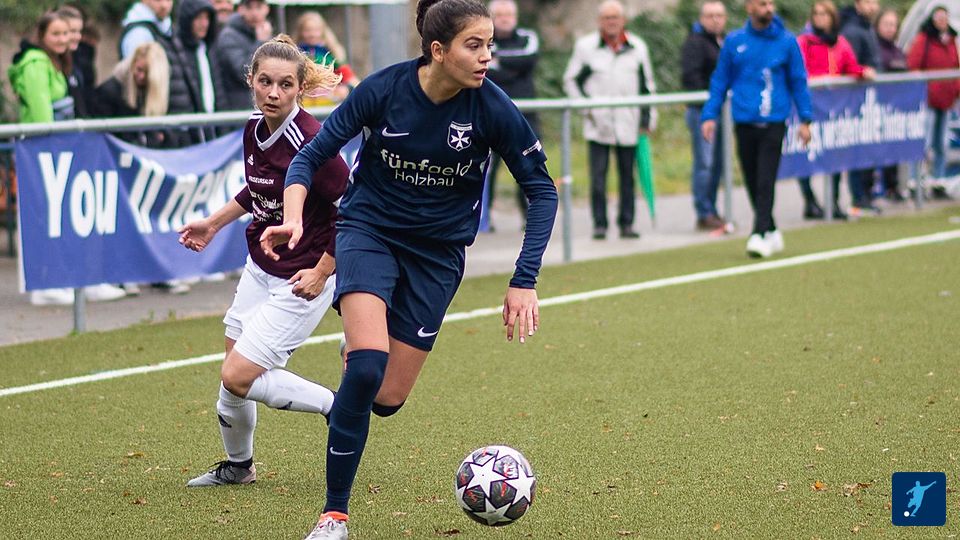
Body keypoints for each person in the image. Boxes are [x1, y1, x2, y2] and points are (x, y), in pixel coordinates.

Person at [259, 0, 557, 537]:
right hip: (368, 234)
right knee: (367, 367)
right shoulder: (384, 89)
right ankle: (333, 515)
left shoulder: (492, 107)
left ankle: (359, 349)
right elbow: (309, 157)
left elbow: (542, 190)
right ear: (438, 50)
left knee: (386, 398)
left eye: (489, 45)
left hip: (437, 255)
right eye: (474, 45)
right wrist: (295, 217)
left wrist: (524, 280)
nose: (487, 56)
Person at [179, 35, 350, 488]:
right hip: (259, 268)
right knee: (233, 381)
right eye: (265, 82)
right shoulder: (253, 127)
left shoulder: (311, 140)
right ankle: (239, 467)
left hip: (302, 276)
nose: (274, 93)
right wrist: (213, 224)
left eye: (285, 84)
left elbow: (353, 208)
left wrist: (323, 271)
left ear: (300, 88)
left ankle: (338, 407)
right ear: (251, 80)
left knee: (237, 376)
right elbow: (256, 190)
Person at [8, 10, 127, 305]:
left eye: (67, 33)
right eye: (57, 34)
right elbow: (41, 115)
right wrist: (56, 146)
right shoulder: (36, 64)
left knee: (59, 215)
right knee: (43, 216)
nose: (63, 39)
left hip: (57, 150)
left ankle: (60, 280)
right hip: (43, 151)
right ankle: (43, 284)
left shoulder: (58, 62)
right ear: (42, 36)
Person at [701, 0, 812, 259]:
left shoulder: (787, 42)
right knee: (751, 178)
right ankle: (770, 228)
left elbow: (798, 81)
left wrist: (805, 119)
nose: (768, 8)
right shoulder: (734, 41)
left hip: (774, 121)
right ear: (749, 7)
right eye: (762, 3)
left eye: (771, 3)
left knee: (765, 179)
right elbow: (720, 80)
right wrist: (710, 115)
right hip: (744, 120)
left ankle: (759, 233)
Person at [563, 0, 655, 240]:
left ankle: (627, 223)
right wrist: (588, 110)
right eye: (607, 18)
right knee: (598, 178)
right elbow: (571, 81)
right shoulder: (586, 47)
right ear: (599, 21)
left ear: (623, 20)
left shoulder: (638, 47)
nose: (611, 22)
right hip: (598, 124)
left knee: (627, 176)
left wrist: (647, 119)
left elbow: (647, 86)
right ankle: (600, 224)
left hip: (629, 122)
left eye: (615, 17)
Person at [796, 0, 875, 221]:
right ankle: (810, 202)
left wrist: (863, 72)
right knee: (805, 156)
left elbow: (850, 66)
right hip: (810, 107)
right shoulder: (804, 42)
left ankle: (833, 202)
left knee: (835, 156)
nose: (820, 18)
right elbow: (798, 70)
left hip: (834, 109)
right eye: (817, 14)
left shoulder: (839, 43)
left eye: (825, 14)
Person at [484, 0, 539, 230]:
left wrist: (499, 62)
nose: (505, 18)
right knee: (487, 168)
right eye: (500, 14)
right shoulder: (485, 38)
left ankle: (529, 217)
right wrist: (512, 70)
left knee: (527, 166)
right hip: (492, 115)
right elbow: (486, 70)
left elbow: (528, 60)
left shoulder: (528, 37)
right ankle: (484, 217)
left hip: (525, 116)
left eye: (508, 14)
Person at [681, 0, 727, 232]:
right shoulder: (695, 43)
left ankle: (712, 208)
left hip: (720, 111)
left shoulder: (723, 42)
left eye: (719, 15)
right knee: (705, 163)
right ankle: (704, 211)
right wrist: (712, 97)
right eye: (710, 15)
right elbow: (690, 78)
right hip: (702, 111)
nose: (715, 20)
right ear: (702, 18)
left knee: (718, 163)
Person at [908, 6, 960, 199]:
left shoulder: (951, 39)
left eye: (944, 17)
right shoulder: (924, 39)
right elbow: (913, 65)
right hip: (928, 100)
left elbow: (955, 67)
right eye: (938, 17)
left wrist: (955, 90)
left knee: (942, 144)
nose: (941, 20)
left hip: (946, 101)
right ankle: (916, 181)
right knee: (925, 142)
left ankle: (939, 180)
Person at [840, 0, 882, 212]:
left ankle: (865, 194)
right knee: (857, 149)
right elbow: (850, 65)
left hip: (867, 100)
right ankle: (859, 196)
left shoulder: (866, 27)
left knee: (868, 148)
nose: (873, 6)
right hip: (856, 101)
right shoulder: (852, 30)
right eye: (868, 1)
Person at [90, 41, 171, 147]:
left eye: (147, 73)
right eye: (139, 70)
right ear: (133, 64)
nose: (141, 76)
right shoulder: (110, 92)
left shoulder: (153, 93)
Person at [173, 0, 225, 142]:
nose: (204, 23)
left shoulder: (208, 49)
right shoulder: (177, 50)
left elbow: (218, 92)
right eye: (199, 18)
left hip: (212, 127)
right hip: (191, 132)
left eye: (207, 18)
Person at [875, 8, 908, 202]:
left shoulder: (897, 50)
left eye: (893, 25)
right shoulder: (875, 48)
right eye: (886, 24)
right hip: (878, 108)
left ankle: (893, 186)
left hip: (896, 109)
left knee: (894, 149)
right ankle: (878, 187)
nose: (890, 28)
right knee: (879, 149)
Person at [216, 0, 273, 111]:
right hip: (238, 110)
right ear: (240, 9)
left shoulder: (266, 34)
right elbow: (244, 72)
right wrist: (261, 43)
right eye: (249, 7)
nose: (254, 13)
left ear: (266, 9)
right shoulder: (228, 36)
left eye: (258, 7)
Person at [294, 11, 360, 104]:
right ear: (301, 32)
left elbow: (348, 76)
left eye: (316, 30)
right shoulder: (296, 52)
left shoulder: (330, 53)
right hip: (305, 97)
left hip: (328, 97)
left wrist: (352, 88)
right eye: (308, 30)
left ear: (323, 31)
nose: (312, 34)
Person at [57, 5, 90, 118]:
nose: (78, 36)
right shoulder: (50, 63)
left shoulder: (75, 58)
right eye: (72, 31)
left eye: (79, 31)